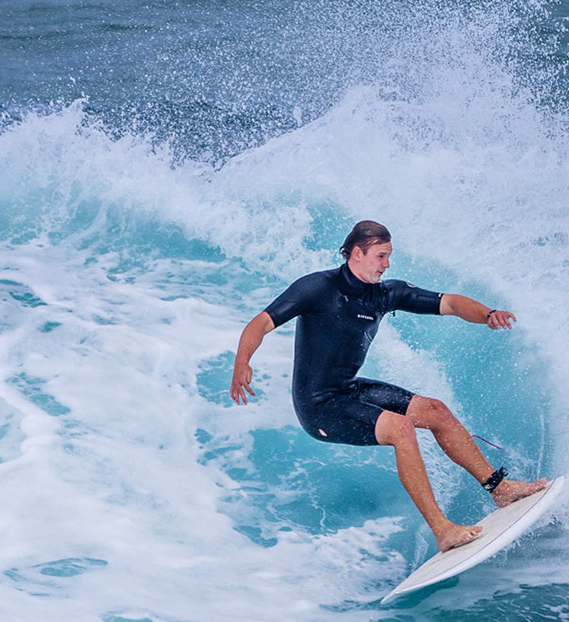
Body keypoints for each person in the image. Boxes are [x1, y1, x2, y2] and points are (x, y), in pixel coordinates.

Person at [229, 220, 548, 551]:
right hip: (318, 406)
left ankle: (500, 489)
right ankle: (442, 530)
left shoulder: (384, 295)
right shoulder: (318, 287)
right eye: (381, 256)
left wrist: (488, 314)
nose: (387, 264)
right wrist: (242, 361)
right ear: (357, 253)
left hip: (348, 389)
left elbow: (450, 303)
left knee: (435, 410)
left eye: (388, 256)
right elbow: (261, 322)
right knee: (400, 428)